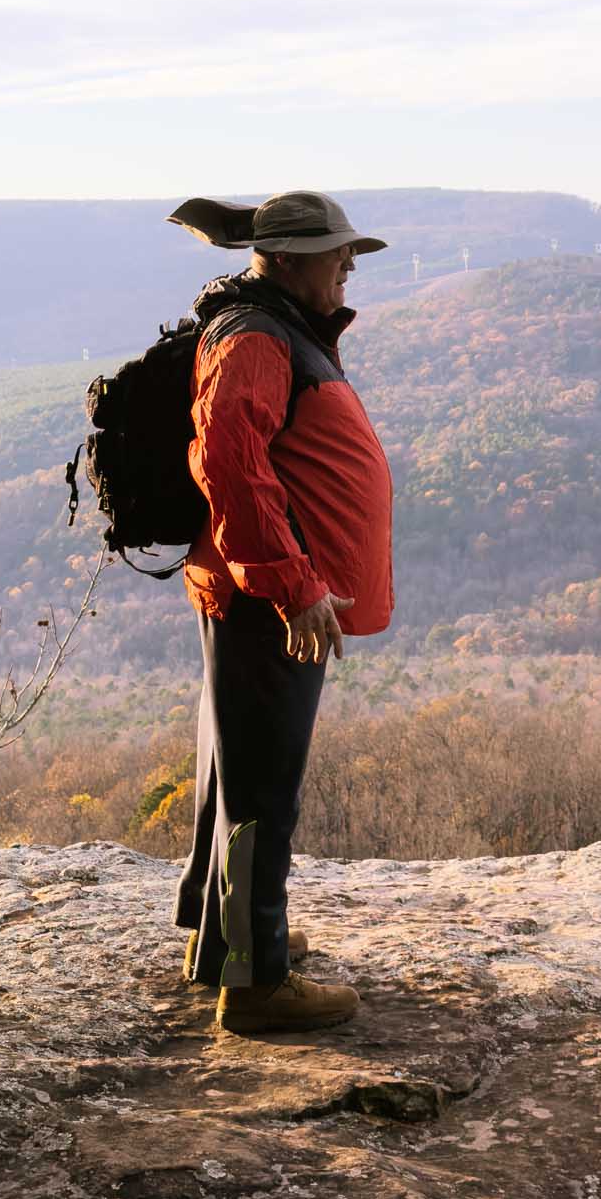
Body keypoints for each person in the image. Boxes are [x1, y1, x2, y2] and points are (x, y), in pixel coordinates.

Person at [164, 189, 395, 1033]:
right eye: (338, 254)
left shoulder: (271, 325)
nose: (349, 266)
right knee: (262, 784)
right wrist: (294, 586)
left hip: (263, 589)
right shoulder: (258, 337)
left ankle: (222, 941)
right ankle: (256, 983)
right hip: (270, 598)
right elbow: (230, 464)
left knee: (236, 771)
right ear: (293, 259)